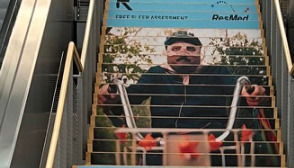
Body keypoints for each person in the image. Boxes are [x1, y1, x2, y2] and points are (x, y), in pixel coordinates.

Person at [99, 28, 264, 157]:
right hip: (162, 143)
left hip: (212, 142)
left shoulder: (217, 72)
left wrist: (251, 93)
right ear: (167, 52)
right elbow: (131, 96)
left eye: (190, 49)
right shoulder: (156, 74)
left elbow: (237, 90)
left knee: (223, 162)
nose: (183, 53)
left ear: (200, 52)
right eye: (176, 48)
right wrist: (112, 94)